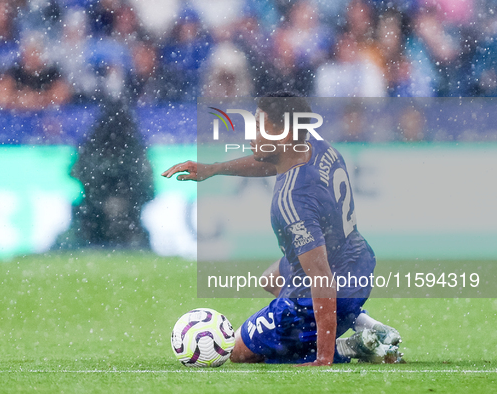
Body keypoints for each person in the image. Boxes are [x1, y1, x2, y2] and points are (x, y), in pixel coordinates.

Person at [162, 91, 401, 365]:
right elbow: (271, 162)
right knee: (271, 278)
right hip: (359, 266)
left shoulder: (291, 200)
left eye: (261, 127)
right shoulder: (316, 146)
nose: (252, 134)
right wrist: (214, 169)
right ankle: (364, 324)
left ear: (285, 135)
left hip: (331, 287)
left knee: (237, 351)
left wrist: (324, 359)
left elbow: (321, 278)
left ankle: (349, 347)